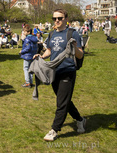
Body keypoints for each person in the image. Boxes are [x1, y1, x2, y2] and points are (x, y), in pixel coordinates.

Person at [35, 9, 86, 142]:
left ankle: (54, 130)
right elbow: (50, 50)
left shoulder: (72, 33)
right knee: (64, 100)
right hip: (54, 72)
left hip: (67, 71)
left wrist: (74, 48)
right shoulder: (51, 34)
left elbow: (81, 54)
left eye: (60, 18)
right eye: (54, 18)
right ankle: (80, 119)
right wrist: (41, 56)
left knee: (61, 103)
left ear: (65, 19)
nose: (57, 21)